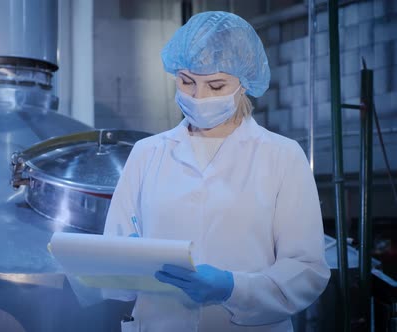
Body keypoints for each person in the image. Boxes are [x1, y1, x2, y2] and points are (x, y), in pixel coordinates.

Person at [103, 11, 330, 332]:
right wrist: (124, 266)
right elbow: (113, 255)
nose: (199, 96)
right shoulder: (147, 153)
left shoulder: (282, 156)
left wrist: (233, 288)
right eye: (186, 81)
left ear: (244, 83)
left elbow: (307, 271)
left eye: (216, 84)